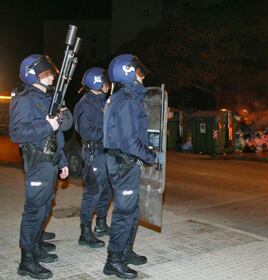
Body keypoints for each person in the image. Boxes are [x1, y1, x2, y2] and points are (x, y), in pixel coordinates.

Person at [9, 54, 69, 279]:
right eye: (45, 73)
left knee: (44, 207)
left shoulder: (45, 97)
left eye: (50, 72)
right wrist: (47, 125)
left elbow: (56, 137)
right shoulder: (24, 99)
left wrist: (62, 161)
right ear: (31, 75)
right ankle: (26, 260)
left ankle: (35, 246)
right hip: (37, 163)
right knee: (34, 211)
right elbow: (16, 133)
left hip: (50, 161)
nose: (51, 76)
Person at [103, 54, 163, 279]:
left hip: (123, 162)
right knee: (124, 213)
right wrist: (150, 156)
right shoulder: (127, 100)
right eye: (139, 71)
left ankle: (125, 252)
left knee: (131, 211)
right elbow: (129, 141)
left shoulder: (124, 98)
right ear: (128, 73)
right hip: (124, 163)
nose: (143, 75)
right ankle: (113, 261)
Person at [73, 67, 113, 248]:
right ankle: (85, 233)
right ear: (98, 82)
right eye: (106, 81)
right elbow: (87, 132)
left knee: (107, 190)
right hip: (93, 153)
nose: (109, 84)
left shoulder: (103, 100)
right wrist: (110, 133)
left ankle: (101, 224)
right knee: (93, 193)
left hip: (105, 153)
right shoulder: (85, 104)